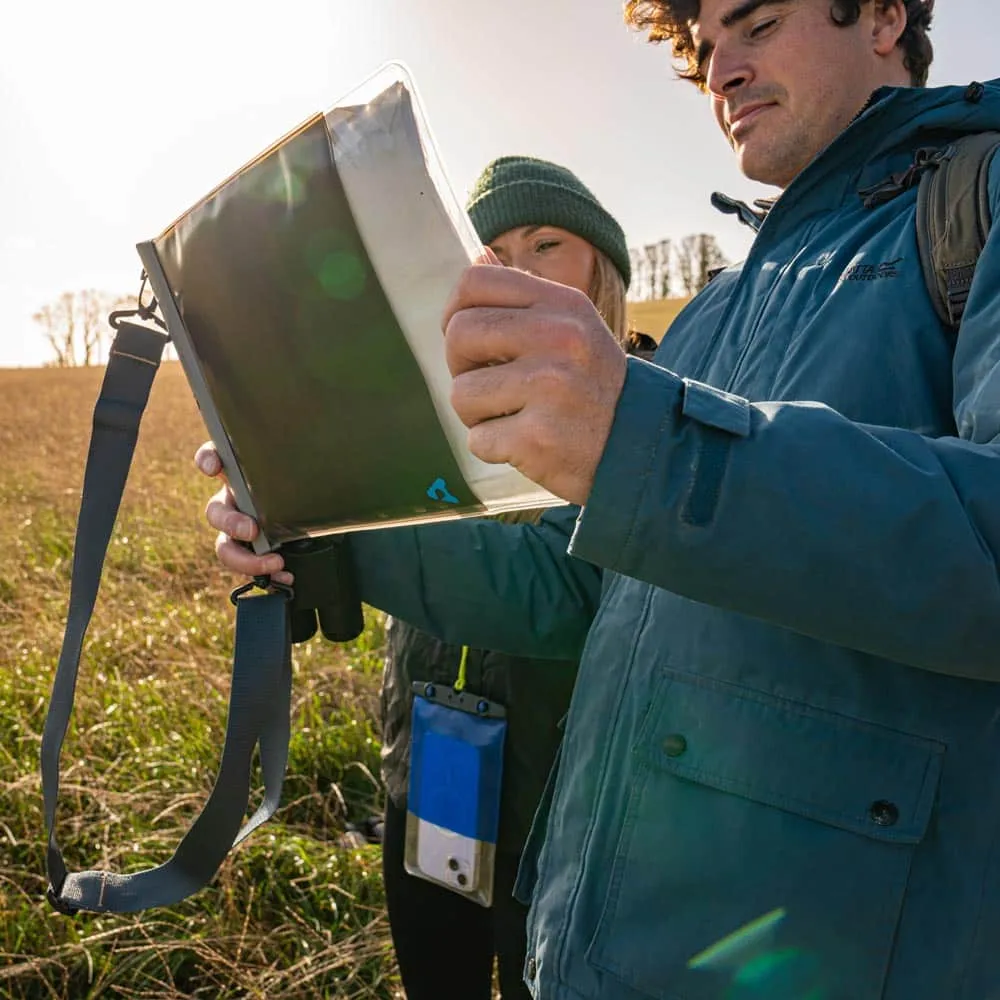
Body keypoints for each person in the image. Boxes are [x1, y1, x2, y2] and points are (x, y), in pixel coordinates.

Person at [200, 2, 1000, 997]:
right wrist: (328, 530)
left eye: (754, 25)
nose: (722, 73)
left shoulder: (980, 199)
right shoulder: (721, 305)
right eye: (707, 49)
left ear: (883, 15)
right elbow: (575, 589)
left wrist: (644, 442)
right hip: (589, 946)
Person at [375, 157, 649, 1000]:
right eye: (493, 250)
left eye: (547, 243)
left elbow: (560, 592)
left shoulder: (649, 405)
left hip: (571, 808)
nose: (519, 268)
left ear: (600, 268)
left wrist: (340, 551)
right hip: (431, 779)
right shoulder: (423, 412)